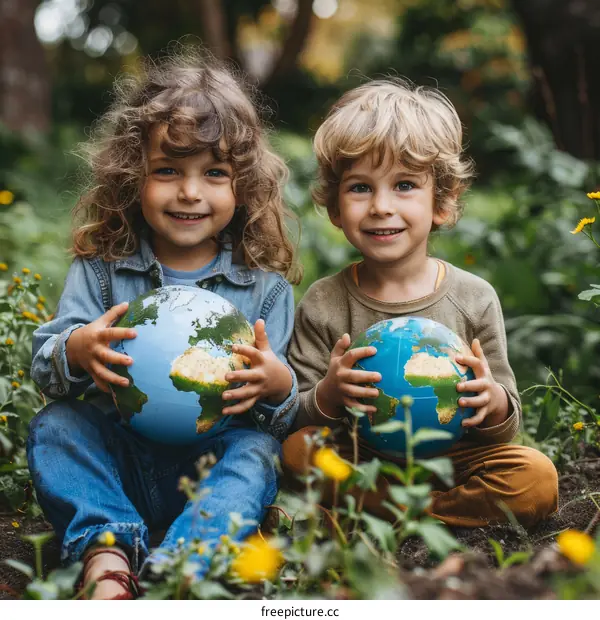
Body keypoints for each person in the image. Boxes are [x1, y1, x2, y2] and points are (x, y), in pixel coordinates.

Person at [27, 48, 300, 599]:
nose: (190, 192)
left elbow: (276, 419)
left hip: (208, 468)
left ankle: (186, 563)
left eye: (214, 173)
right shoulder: (100, 272)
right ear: (134, 176)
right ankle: (107, 550)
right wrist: (77, 350)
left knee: (257, 454)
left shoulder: (266, 290)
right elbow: (46, 368)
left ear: (242, 186)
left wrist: (278, 385)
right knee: (56, 426)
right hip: (117, 460)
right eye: (167, 170)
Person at [283, 79, 558, 529]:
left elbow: (506, 421)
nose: (381, 206)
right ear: (334, 207)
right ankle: (423, 511)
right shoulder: (325, 301)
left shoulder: (474, 298)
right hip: (364, 454)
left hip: (456, 459)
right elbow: (297, 415)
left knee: (535, 477)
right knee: (298, 451)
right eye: (360, 188)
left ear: (443, 203)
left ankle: (400, 512)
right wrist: (330, 393)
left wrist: (492, 402)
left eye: (405, 184)